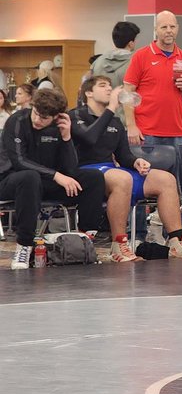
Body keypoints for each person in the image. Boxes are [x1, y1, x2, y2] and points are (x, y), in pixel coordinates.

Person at [71, 75, 182, 261]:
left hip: (113, 170)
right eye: (103, 86)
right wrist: (111, 108)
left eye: (110, 86)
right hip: (87, 171)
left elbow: (123, 156)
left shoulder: (115, 122)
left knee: (165, 179)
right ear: (88, 92)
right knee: (122, 177)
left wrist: (136, 162)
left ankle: (176, 242)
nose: (109, 89)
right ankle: (119, 245)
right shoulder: (76, 116)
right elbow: (89, 138)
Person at [1, 88, 106, 269]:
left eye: (44, 118)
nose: (37, 120)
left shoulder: (60, 126)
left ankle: (85, 239)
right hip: (12, 180)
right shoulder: (16, 121)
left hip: (45, 182)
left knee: (94, 177)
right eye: (36, 113)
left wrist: (66, 138)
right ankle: (24, 245)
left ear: (56, 116)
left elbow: (71, 170)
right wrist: (56, 176)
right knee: (29, 177)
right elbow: (19, 161)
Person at [122, 11, 182, 148]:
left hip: (177, 133)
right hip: (146, 132)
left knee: (174, 170)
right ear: (155, 30)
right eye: (164, 27)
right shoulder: (141, 56)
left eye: (172, 27)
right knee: (145, 170)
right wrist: (131, 126)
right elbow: (127, 92)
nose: (169, 31)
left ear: (177, 28)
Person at [91, 21, 140, 120]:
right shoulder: (137, 63)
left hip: (100, 118)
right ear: (131, 43)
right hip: (127, 120)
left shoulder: (97, 62)